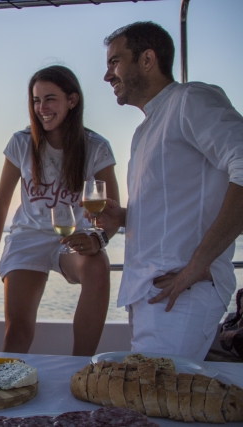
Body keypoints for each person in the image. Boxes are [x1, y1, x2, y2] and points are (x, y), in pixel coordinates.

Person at [100, 22, 243, 360]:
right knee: (152, 399)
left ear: (147, 59)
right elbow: (170, 210)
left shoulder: (189, 100)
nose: (107, 76)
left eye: (115, 62)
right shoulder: (146, 129)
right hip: (150, 293)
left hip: (183, 291)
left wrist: (199, 263)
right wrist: (123, 217)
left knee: (155, 400)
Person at [0, 65, 120, 356]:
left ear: (72, 100)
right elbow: (2, 199)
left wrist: (98, 240)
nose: (41, 108)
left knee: (97, 264)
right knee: (17, 331)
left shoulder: (95, 147)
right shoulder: (21, 142)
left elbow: (111, 211)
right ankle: (9, 385)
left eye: (50, 98)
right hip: (28, 237)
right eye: (36, 100)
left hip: (71, 237)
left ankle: (81, 368)